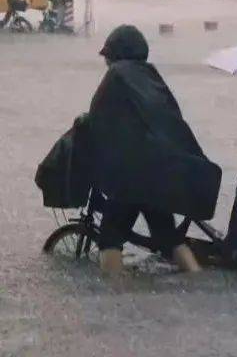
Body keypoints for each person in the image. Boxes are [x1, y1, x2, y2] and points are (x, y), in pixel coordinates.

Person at [36, 25, 221, 276]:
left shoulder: (116, 77)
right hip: (160, 173)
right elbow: (166, 120)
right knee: (169, 237)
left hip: (129, 179)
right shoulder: (150, 75)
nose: (106, 61)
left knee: (110, 239)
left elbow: (98, 121)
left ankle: (116, 296)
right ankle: (196, 279)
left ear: (115, 54)